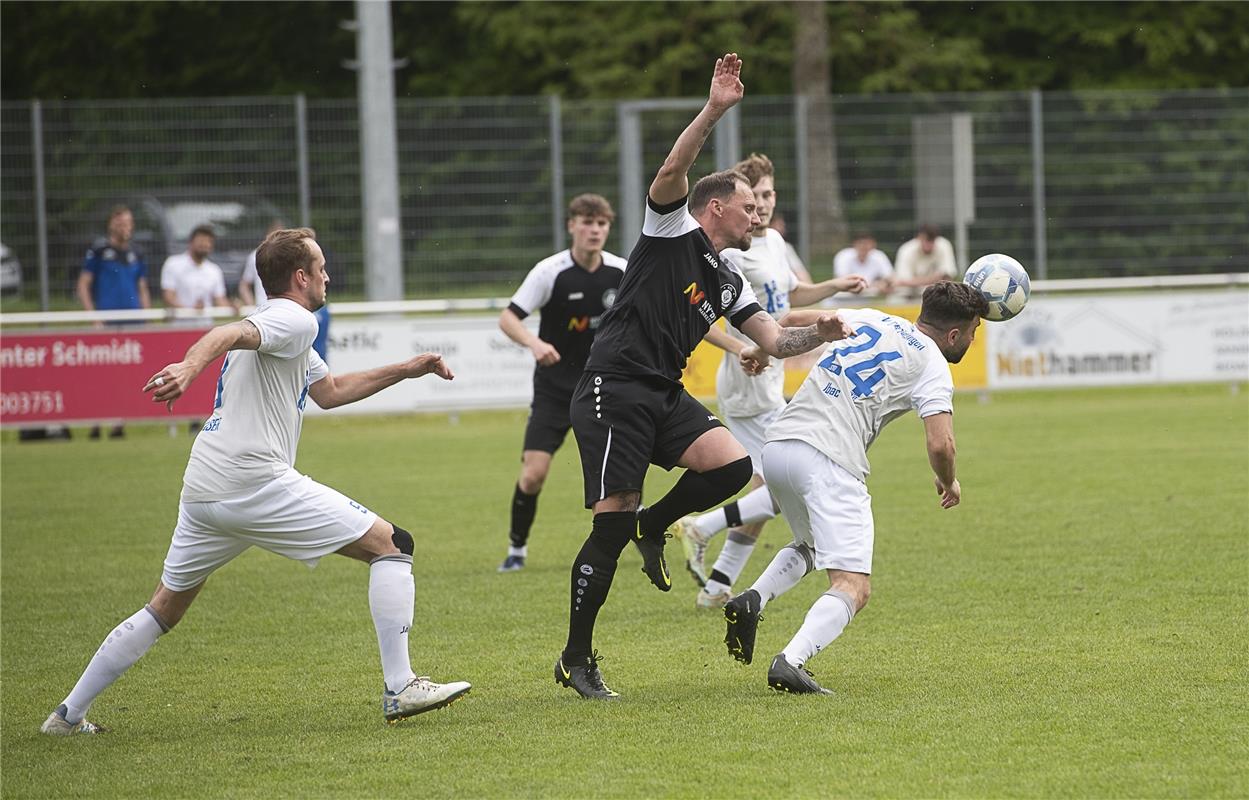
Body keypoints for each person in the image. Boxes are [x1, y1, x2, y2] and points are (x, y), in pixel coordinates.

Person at [40, 227, 471, 735]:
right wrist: (189, 365)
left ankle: (67, 715)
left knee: (163, 607)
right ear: (300, 277)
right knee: (392, 544)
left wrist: (408, 367)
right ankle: (401, 688)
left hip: (205, 487)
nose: (328, 276)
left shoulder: (287, 328)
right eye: (322, 267)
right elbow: (231, 333)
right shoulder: (293, 318)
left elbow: (329, 392)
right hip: (254, 481)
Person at [554, 53, 855, 700]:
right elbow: (671, 170)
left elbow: (773, 339)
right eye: (748, 206)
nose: (758, 216)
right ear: (714, 207)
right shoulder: (670, 232)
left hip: (662, 392)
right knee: (609, 523)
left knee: (728, 468)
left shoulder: (725, 276)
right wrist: (715, 109)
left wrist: (819, 332)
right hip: (613, 388)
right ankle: (576, 657)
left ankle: (653, 524)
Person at [720, 281, 988, 694]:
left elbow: (789, 321)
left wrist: (760, 349)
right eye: (973, 332)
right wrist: (948, 479)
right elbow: (941, 442)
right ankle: (790, 662)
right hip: (828, 459)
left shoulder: (874, 317)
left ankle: (752, 598)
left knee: (810, 545)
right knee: (853, 586)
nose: (972, 340)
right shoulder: (933, 364)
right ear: (954, 335)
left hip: (779, 446)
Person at [673, 152, 867, 609]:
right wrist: (743, 347)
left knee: (771, 488)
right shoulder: (731, 256)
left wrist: (834, 285)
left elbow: (791, 294)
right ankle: (701, 527)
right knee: (788, 482)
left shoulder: (774, 244)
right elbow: (711, 316)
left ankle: (718, 586)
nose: (762, 207)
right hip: (750, 380)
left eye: (769, 195)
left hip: (771, 372)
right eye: (756, 198)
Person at [496, 194, 627, 572]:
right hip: (554, 390)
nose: (594, 230)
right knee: (533, 475)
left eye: (601, 224)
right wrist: (535, 344)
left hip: (602, 388)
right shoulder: (549, 271)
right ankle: (517, 550)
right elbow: (509, 318)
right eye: (587, 222)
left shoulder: (621, 271)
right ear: (571, 226)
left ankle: (628, 540)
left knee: (620, 474)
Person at [73, 205, 151, 440]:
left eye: (128, 223)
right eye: (120, 223)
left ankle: (118, 423)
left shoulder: (136, 252)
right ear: (111, 225)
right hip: (106, 322)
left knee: (126, 375)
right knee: (101, 375)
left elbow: (142, 287)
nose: (125, 227)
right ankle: (96, 422)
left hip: (133, 322)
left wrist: (146, 316)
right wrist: (92, 316)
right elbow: (83, 284)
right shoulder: (99, 250)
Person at [160, 225, 231, 324]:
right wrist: (191, 311)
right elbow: (168, 297)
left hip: (206, 328)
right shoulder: (173, 264)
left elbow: (220, 299)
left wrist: (232, 307)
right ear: (191, 242)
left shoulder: (214, 270)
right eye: (201, 240)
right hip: (179, 328)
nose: (205, 244)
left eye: (208, 241)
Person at [893, 224, 958, 298]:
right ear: (919, 238)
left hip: (936, 296)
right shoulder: (906, 250)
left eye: (932, 240)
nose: (929, 244)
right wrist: (935, 278)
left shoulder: (944, 245)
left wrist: (913, 282)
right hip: (909, 296)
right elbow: (902, 282)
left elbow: (948, 277)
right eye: (926, 240)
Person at [767, 211, 811, 282]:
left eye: (782, 225)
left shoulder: (787, 247)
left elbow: (801, 273)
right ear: (769, 226)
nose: (782, 228)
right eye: (779, 225)